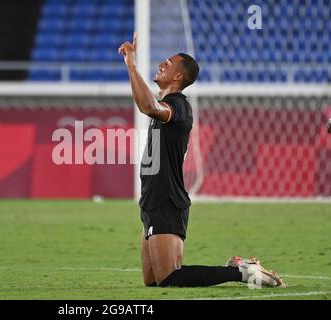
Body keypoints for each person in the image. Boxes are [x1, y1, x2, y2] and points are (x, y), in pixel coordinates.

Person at [118, 32, 285, 288]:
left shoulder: (179, 106)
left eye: (168, 63)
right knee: (152, 280)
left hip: (167, 199)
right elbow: (149, 104)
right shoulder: (166, 106)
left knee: (169, 277)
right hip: (152, 199)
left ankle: (242, 273)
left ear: (179, 76)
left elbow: (148, 106)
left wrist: (131, 65)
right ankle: (236, 268)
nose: (162, 63)